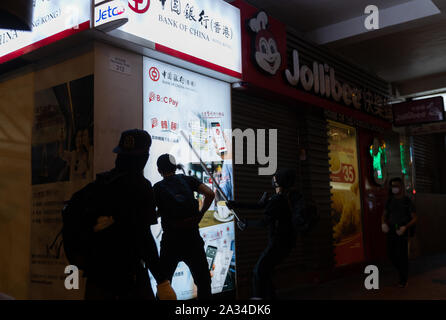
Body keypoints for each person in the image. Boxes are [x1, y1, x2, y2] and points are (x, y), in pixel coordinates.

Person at [84, 129, 176, 300]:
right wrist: (162, 281)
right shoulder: (141, 186)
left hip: (96, 277)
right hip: (127, 277)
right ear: (145, 157)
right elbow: (144, 238)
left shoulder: (101, 182)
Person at [228, 168, 298, 299]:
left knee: (258, 272)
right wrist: (235, 204)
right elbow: (259, 206)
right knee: (265, 272)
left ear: (279, 182)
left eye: (275, 177)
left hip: (278, 244)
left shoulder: (278, 200)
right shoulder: (281, 198)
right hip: (284, 243)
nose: (273, 178)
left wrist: (246, 224)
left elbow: (264, 222)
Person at [153, 154, 215, 300]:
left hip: (170, 241)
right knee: (204, 282)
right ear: (175, 167)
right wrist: (201, 214)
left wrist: (162, 212)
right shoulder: (187, 180)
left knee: (164, 284)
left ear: (159, 170)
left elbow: (150, 215)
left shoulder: (157, 188)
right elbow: (210, 194)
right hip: (192, 238)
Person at [381, 177, 417, 288]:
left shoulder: (407, 201)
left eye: (396, 186)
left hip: (402, 230)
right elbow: (384, 214)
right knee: (391, 254)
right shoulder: (390, 201)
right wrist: (383, 223)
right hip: (391, 230)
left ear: (401, 187)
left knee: (402, 256)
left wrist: (405, 227)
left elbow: (415, 218)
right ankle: (402, 272)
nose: (394, 188)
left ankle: (403, 279)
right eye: (392, 186)